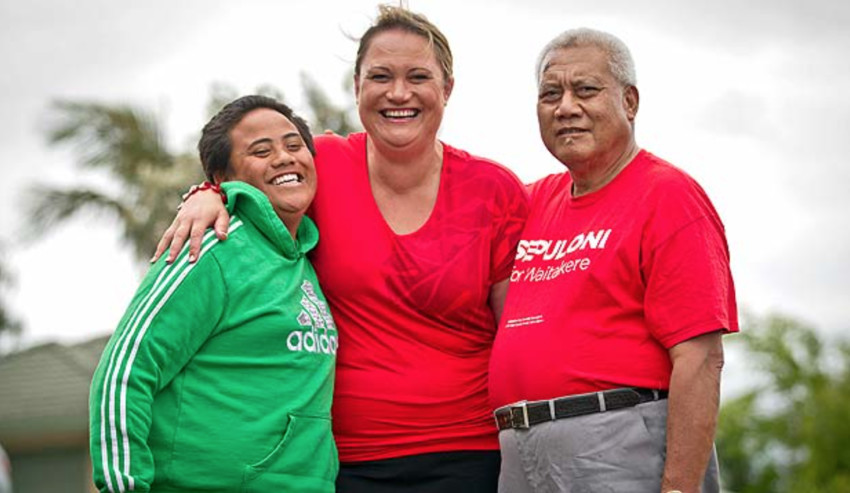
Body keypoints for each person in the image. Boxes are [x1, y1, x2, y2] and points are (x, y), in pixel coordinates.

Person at [152, 5, 529, 492]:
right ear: (356, 88)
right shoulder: (320, 167)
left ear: (447, 89)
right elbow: (250, 176)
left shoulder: (495, 190)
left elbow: (516, 338)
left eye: (418, 76)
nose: (398, 93)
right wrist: (207, 194)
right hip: (343, 459)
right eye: (380, 76)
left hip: (470, 453)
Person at [489, 28, 738, 492]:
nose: (565, 107)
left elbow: (700, 357)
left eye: (585, 90)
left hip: (617, 447)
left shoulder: (669, 197)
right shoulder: (531, 203)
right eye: (550, 94)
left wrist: (680, 488)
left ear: (629, 102)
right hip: (520, 455)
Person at [90, 95, 339, 492]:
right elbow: (124, 371)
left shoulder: (308, 258)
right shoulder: (208, 249)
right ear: (222, 179)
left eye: (294, 146)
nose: (284, 157)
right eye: (261, 150)